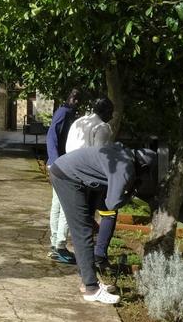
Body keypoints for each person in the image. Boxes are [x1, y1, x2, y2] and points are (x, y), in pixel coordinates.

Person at [48, 143, 156, 304]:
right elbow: (112, 204)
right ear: (143, 167)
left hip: (73, 174)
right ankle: (92, 289)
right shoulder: (125, 167)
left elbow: (103, 204)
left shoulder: (121, 152)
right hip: (67, 177)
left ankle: (87, 281)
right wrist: (131, 192)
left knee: (86, 228)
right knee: (82, 232)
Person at [63, 98, 118, 272]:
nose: (112, 115)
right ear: (105, 111)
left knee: (84, 215)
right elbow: (100, 156)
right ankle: (99, 255)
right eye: (111, 112)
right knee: (109, 211)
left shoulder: (80, 121)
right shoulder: (102, 127)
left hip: (68, 170)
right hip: (88, 175)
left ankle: (83, 256)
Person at [46, 89, 81, 264]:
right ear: (68, 98)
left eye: (78, 99)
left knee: (58, 204)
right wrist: (54, 161)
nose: (76, 101)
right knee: (66, 206)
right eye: (73, 98)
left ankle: (55, 245)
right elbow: (51, 136)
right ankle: (59, 245)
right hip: (62, 166)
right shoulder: (63, 113)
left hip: (60, 164)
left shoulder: (69, 113)